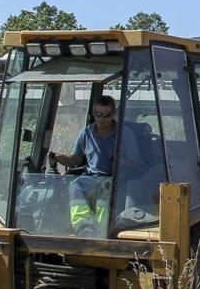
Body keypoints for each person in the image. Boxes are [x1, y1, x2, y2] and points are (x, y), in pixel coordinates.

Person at [48, 95, 139, 233]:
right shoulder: (86, 134)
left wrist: (121, 162)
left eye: (106, 115)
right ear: (93, 113)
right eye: (98, 115)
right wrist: (58, 157)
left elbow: (135, 162)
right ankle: (82, 227)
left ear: (113, 114)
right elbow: (75, 159)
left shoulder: (125, 134)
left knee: (104, 192)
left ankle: (100, 230)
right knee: (75, 185)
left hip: (115, 179)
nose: (101, 119)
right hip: (91, 177)